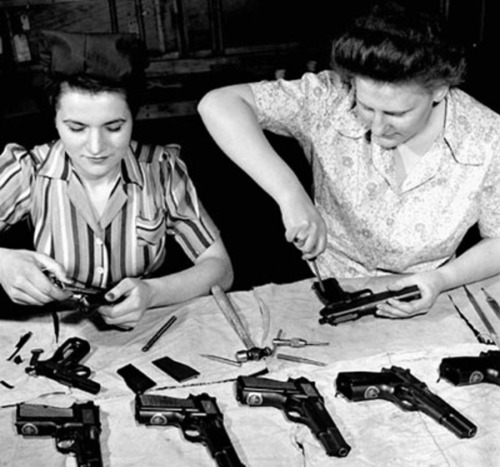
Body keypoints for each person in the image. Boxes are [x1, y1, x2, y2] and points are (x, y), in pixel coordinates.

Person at [198, 0, 500, 319]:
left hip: (429, 298)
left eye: (397, 113)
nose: (378, 127)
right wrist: (291, 194)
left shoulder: (488, 138)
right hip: (330, 291)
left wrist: (440, 280)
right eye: (366, 107)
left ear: (439, 90)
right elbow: (218, 104)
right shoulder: (330, 98)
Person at [0, 30, 233, 329]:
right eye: (76, 128)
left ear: (133, 118)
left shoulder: (161, 170)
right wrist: (2, 263)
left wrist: (152, 293)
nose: (96, 148)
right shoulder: (28, 170)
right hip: (57, 334)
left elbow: (220, 268)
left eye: (113, 127)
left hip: (149, 330)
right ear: (55, 120)